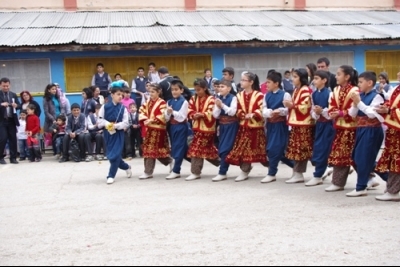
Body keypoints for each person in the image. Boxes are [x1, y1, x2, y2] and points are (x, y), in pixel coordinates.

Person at [345, 72, 385, 197]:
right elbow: (352, 114)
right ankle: (390, 179)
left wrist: (359, 102)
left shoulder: (377, 96)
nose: (359, 85)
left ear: (370, 83)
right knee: (356, 158)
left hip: (372, 130)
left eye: (361, 82)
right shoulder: (360, 95)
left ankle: (361, 187)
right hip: (361, 129)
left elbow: (372, 114)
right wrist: (354, 103)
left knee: (363, 159)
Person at [226, 72, 268, 182]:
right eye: (241, 80)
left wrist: (254, 114)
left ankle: (271, 168)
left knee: (260, 151)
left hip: (256, 127)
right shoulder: (239, 95)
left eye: (244, 80)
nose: (241, 82)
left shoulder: (259, 95)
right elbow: (238, 109)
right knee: (244, 150)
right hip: (244, 126)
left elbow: (261, 108)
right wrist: (243, 115)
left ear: (251, 82)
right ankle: (245, 170)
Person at [325, 65, 359, 192]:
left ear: (347, 77)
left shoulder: (354, 90)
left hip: (353, 129)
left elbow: (354, 109)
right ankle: (338, 183)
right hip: (340, 128)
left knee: (353, 156)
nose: (335, 76)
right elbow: (331, 105)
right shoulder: (335, 90)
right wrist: (334, 112)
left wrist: (340, 113)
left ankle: (367, 179)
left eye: (339, 74)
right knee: (341, 154)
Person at [261, 71, 294, 184]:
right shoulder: (266, 95)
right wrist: (269, 112)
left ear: (276, 83)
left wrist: (279, 111)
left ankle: (271, 173)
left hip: (280, 125)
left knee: (274, 149)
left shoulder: (285, 95)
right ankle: (297, 167)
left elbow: (288, 110)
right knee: (279, 151)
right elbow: (263, 109)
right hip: (270, 125)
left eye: (269, 82)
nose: (267, 84)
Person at [284, 68, 315, 184]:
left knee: (302, 149)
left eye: (295, 77)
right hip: (296, 123)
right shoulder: (297, 90)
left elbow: (305, 107)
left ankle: (301, 173)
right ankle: (297, 173)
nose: (293, 79)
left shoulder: (305, 90)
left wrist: (292, 105)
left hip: (304, 124)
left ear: (302, 78)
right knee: (297, 149)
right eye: (293, 76)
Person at [186, 79, 219, 181]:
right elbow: (189, 110)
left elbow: (211, 112)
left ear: (205, 88)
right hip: (197, 128)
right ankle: (224, 163)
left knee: (196, 149)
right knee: (207, 150)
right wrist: (193, 115)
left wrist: (202, 114)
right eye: (195, 90)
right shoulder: (193, 98)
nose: (197, 92)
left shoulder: (211, 99)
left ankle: (195, 172)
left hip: (207, 129)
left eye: (199, 90)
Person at [306, 70, 335, 187]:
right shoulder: (313, 95)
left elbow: (332, 111)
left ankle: (318, 175)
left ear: (324, 80)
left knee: (324, 149)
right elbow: (313, 112)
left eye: (317, 78)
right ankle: (324, 171)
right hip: (319, 125)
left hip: (329, 125)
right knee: (319, 149)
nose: (314, 81)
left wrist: (322, 111)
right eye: (314, 78)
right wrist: (316, 113)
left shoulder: (330, 94)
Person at [374, 71, 400, 201]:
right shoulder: (397, 89)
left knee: (397, 162)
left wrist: (389, 111)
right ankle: (392, 189)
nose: (399, 73)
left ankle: (393, 191)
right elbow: (391, 104)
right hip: (394, 131)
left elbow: (393, 108)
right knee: (393, 161)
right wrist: (384, 107)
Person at [98, 87, 132, 185]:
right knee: (111, 156)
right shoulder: (105, 107)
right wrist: (108, 124)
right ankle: (126, 167)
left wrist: (116, 126)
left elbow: (126, 122)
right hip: (108, 133)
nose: (120, 96)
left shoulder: (123, 108)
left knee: (115, 155)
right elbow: (100, 120)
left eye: (121, 94)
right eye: (118, 94)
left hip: (118, 134)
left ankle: (111, 175)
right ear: (112, 94)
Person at [138, 84, 172, 179]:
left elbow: (162, 115)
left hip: (158, 129)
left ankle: (148, 172)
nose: (151, 94)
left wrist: (152, 120)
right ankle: (170, 161)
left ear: (158, 92)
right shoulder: (147, 102)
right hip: (149, 128)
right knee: (151, 150)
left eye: (153, 92)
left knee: (151, 150)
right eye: (150, 92)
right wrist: (145, 119)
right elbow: (141, 111)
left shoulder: (162, 103)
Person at [211, 80, 239, 182]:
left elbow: (232, 112)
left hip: (231, 125)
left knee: (225, 149)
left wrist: (222, 105)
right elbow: (215, 115)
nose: (220, 88)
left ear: (229, 88)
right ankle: (224, 171)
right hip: (222, 126)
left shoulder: (233, 98)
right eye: (219, 87)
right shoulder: (218, 98)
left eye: (223, 86)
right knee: (222, 147)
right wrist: (218, 106)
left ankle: (222, 172)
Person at [165, 80, 190, 180]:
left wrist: (172, 112)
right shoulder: (169, 101)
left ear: (181, 90)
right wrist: (167, 113)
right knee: (176, 147)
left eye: (176, 89)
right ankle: (196, 164)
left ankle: (176, 170)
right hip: (172, 127)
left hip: (181, 127)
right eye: (172, 90)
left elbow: (182, 117)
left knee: (178, 148)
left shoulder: (184, 102)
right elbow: (166, 118)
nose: (174, 92)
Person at [0, 77, 21, 165]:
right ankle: (1, 157)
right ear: (0, 85)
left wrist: (16, 105)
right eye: (4, 86)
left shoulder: (13, 94)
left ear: (10, 85)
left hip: (12, 120)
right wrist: (1, 104)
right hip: (2, 120)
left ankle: (13, 157)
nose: (6, 88)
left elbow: (19, 105)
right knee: (3, 138)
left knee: (13, 139)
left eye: (7, 86)